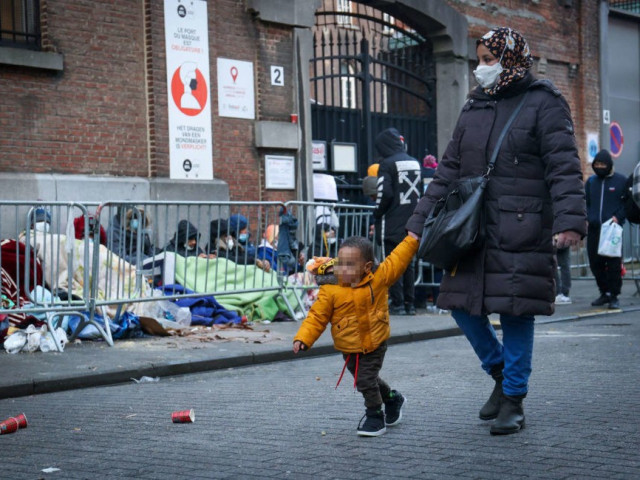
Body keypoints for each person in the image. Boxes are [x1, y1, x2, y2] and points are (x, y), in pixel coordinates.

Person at [406, 27, 586, 435]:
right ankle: (502, 376)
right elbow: (448, 170)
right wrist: (418, 223)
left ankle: (514, 400)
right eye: (479, 59)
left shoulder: (544, 102)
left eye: (489, 60)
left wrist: (570, 223)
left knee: (516, 311)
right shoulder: (475, 106)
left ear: (512, 59)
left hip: (522, 227)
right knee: (457, 305)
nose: (481, 68)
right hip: (471, 231)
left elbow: (563, 167)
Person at [293, 233, 419, 437]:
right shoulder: (331, 289)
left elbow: (398, 258)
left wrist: (412, 239)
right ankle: (392, 398)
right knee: (368, 379)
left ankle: (375, 415)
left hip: (376, 342)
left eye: (349, 265)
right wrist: (303, 338)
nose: (342, 269)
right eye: (340, 263)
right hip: (349, 346)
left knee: (365, 380)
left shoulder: (379, 278)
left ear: (367, 267)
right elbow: (316, 316)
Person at [372, 128, 422, 316]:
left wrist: (377, 213)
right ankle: (410, 304)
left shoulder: (387, 164)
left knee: (392, 262)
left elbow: (384, 193)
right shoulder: (415, 163)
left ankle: (397, 303)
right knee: (409, 263)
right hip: (412, 221)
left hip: (391, 222)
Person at [585, 149, 627, 309]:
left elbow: (626, 204)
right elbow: (586, 202)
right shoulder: (591, 182)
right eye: (597, 164)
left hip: (612, 229)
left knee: (613, 264)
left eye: (603, 164)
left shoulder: (621, 181)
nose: (600, 167)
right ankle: (604, 292)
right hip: (595, 228)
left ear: (609, 165)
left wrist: (618, 217)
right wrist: (588, 218)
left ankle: (614, 295)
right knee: (595, 263)